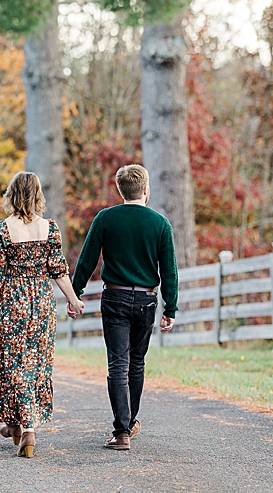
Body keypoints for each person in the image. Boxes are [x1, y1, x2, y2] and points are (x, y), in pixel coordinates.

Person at [70, 164, 178, 451]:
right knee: (137, 362)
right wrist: (171, 307)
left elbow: (87, 259)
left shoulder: (106, 218)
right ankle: (130, 423)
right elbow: (169, 271)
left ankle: (122, 433)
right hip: (146, 299)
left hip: (114, 297)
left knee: (118, 363)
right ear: (145, 190)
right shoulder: (160, 224)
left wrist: (75, 293)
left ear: (120, 190)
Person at [0, 171, 84, 458]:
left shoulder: (1, 231)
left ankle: (27, 428)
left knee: (13, 364)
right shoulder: (50, 229)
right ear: (38, 195)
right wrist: (74, 300)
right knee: (36, 364)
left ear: (11, 195)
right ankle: (16, 424)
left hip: (13, 301)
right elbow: (59, 271)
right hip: (40, 302)